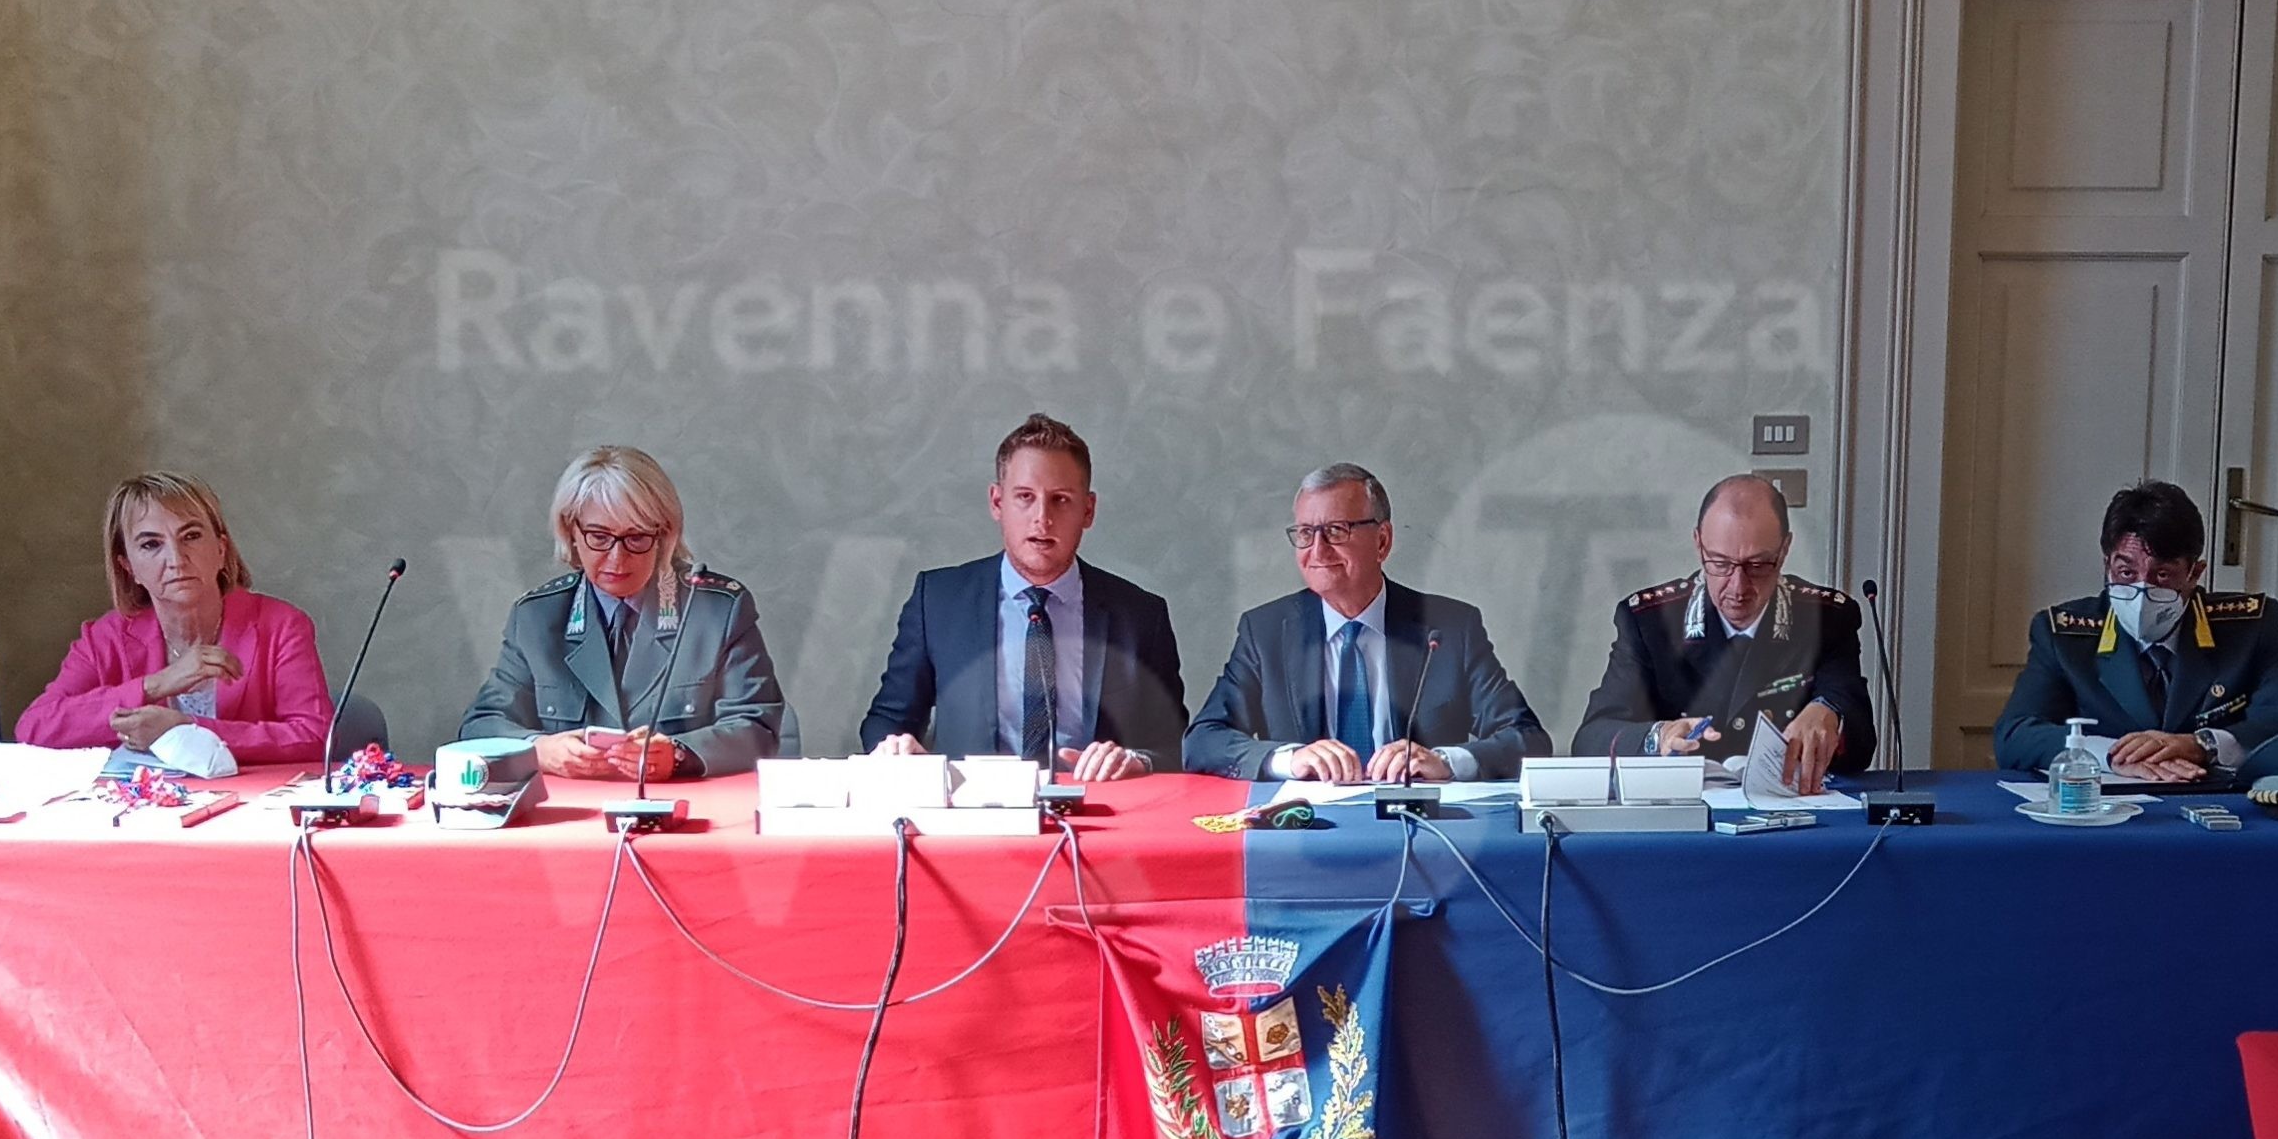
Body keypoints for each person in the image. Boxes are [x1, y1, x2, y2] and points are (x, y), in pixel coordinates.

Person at [860, 413, 1185, 779]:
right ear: (997, 503)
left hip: (1097, 805)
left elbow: (1175, 747)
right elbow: (887, 720)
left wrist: (1136, 760)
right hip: (974, 807)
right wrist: (894, 747)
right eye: (1025, 497)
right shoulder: (937, 602)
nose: (1042, 518)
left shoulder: (1141, 616)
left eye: (1061, 499)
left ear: (1088, 510)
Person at [1183, 463, 1549, 782]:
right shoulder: (1266, 631)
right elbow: (1202, 741)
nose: (1318, 550)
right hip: (1304, 827)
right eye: (1306, 533)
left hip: (1418, 822)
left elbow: (1528, 739)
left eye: (1336, 530)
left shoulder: (1450, 628)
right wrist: (1288, 759)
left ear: (1382, 541)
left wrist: (1444, 762)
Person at [460, 446, 783, 779]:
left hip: (678, 803)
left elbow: (759, 728)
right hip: (572, 806)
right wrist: (537, 749)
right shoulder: (537, 617)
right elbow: (481, 725)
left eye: (637, 538)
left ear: (664, 536)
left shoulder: (717, 611)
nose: (617, 559)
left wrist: (679, 754)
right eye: (599, 537)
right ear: (572, 532)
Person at [1571, 474, 1875, 793]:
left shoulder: (1826, 619)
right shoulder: (1650, 623)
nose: (1738, 587)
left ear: (1784, 549)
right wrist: (1657, 737)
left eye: (1757, 566)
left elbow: (1861, 742)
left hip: (1789, 810)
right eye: (1720, 564)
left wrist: (1830, 713)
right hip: (1686, 812)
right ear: (1698, 544)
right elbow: (1591, 739)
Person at [1993, 479, 2278, 778]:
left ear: (2194, 573)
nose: (2141, 592)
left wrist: (2203, 745)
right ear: (2107, 566)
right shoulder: (2064, 636)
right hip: (2108, 806)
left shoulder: (2249, 629)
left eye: (2162, 575)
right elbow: (2016, 736)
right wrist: (2113, 756)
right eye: (2126, 572)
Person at [16, 472, 333, 762]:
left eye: (191, 536)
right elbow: (34, 728)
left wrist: (188, 731)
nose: (176, 559)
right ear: (129, 567)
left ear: (221, 549)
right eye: (151, 544)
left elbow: (316, 737)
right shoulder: (105, 637)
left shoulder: (282, 626)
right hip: (148, 803)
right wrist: (157, 684)